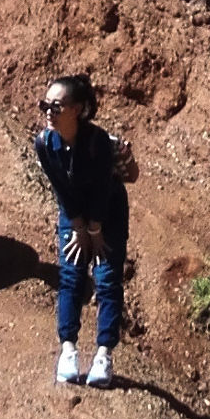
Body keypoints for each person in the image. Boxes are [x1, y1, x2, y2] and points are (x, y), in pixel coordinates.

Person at [32, 73, 137, 388]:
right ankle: (68, 349)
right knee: (71, 276)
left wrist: (94, 229)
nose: (49, 111)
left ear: (76, 109)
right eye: (45, 105)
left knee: (106, 279)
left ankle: (103, 354)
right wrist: (78, 226)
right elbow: (60, 188)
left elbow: (105, 189)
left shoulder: (98, 142)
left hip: (108, 212)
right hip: (74, 213)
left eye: (57, 106)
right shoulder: (44, 143)